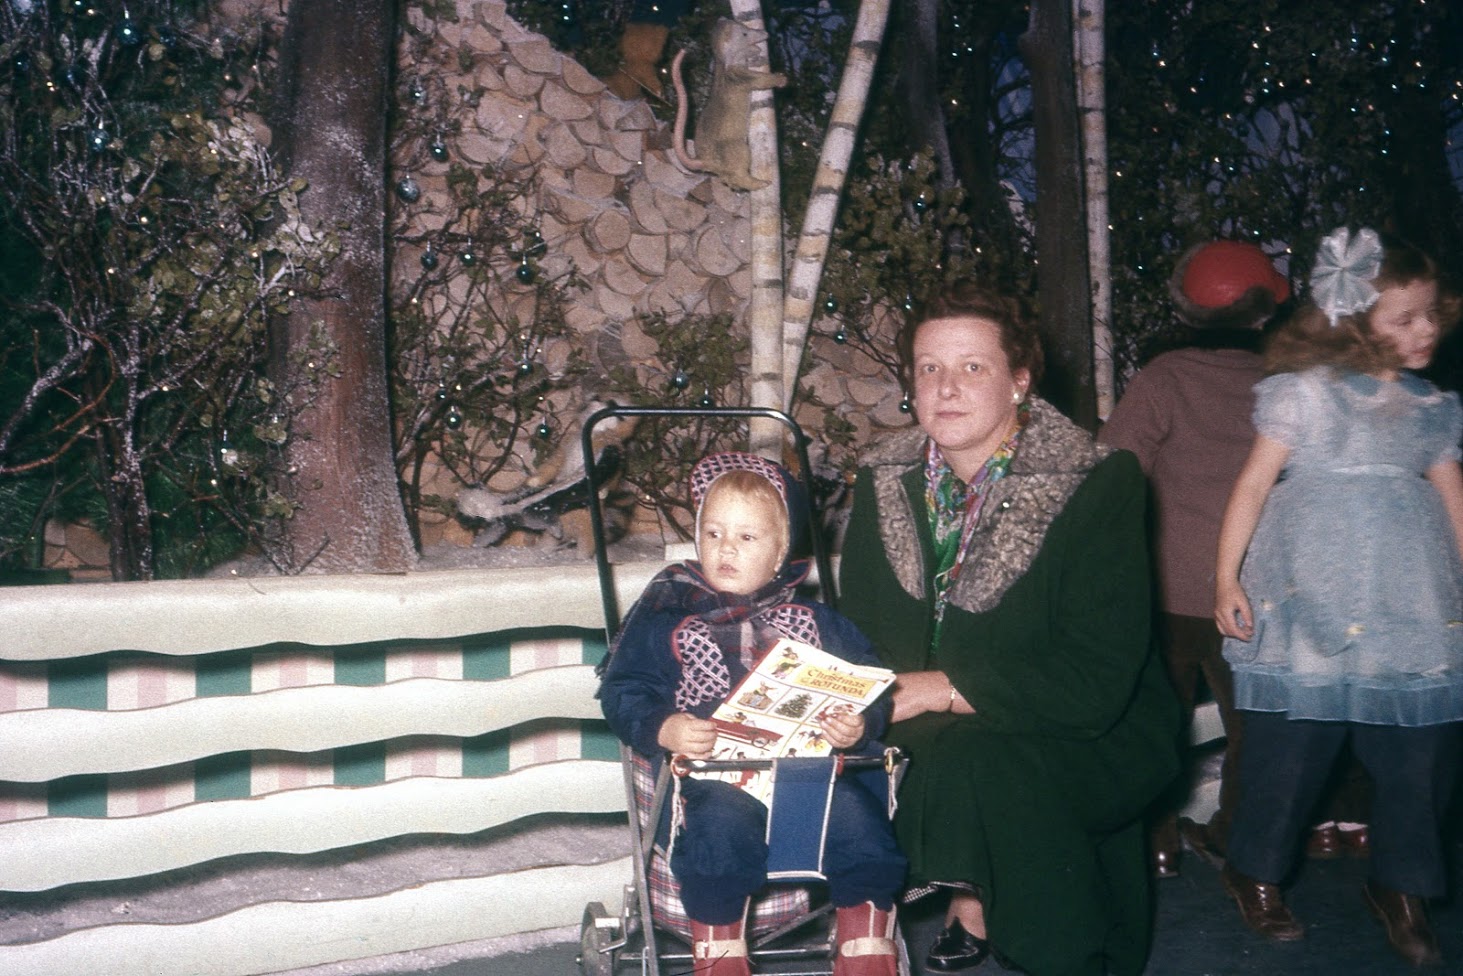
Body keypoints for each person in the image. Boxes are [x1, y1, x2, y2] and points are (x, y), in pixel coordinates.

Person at [838, 280, 1181, 975]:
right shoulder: (882, 479)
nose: (946, 388)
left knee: (991, 769)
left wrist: (941, 688)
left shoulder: (1093, 481)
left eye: (973, 367)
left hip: (1082, 719)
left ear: (1019, 381)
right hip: (931, 717)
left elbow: (1093, 680)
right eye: (929, 368)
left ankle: (1055, 949)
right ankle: (968, 893)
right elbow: (861, 632)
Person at [1214, 227, 1463, 967]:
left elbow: (1454, 501)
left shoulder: (1433, 406)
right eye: (1403, 318)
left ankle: (1402, 885)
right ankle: (1254, 869)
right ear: (1355, 324)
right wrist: (1225, 577)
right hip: (1308, 594)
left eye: (1430, 314)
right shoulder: (1303, 394)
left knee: (1418, 753)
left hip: (1409, 598)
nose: (1425, 329)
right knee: (1290, 748)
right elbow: (1252, 485)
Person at [599, 451, 907, 976]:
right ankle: (720, 952)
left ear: (780, 551)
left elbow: (869, 685)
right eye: (713, 533)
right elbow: (624, 689)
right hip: (714, 775)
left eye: (747, 537)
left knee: (862, 823)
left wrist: (859, 724)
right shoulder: (669, 617)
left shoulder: (817, 621)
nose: (726, 549)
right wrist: (664, 726)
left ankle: (865, 944)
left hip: (807, 777)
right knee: (719, 831)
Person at [1099, 239, 1290, 877]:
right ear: (1264, 312)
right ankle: (1234, 837)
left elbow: (1114, 468)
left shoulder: (1163, 378)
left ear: (1184, 308)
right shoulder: (1282, 385)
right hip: (1254, 594)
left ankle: (1158, 842)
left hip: (1167, 589)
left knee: (1158, 724)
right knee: (1255, 729)